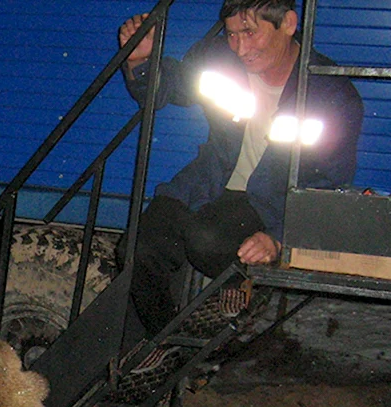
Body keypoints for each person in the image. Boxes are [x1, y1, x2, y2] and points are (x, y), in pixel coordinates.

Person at [118, 0, 363, 347]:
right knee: (137, 247)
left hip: (269, 201)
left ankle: (242, 292)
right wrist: (141, 61)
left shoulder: (330, 91)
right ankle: (170, 342)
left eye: (250, 31)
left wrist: (278, 238)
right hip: (210, 181)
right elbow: (168, 89)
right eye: (232, 34)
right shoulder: (221, 60)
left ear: (288, 23)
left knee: (207, 240)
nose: (241, 47)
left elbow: (330, 182)